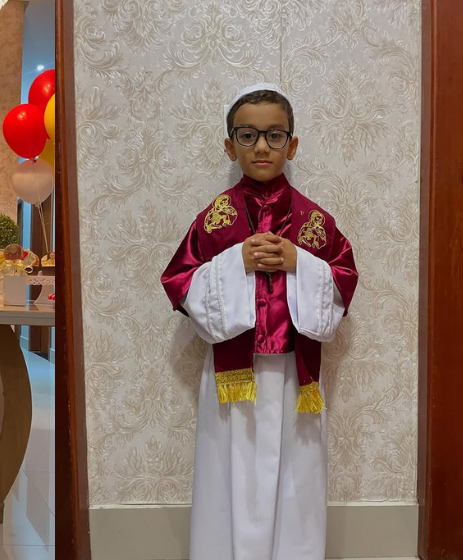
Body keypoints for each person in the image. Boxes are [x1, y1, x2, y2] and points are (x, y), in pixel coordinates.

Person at [161, 84, 358, 560]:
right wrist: (235, 262)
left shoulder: (314, 223)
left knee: (297, 475)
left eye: (274, 135)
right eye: (248, 135)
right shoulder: (215, 220)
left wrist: (299, 261)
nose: (263, 147)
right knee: (231, 474)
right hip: (235, 377)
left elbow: (344, 279)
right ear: (229, 145)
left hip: (295, 374)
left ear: (293, 144)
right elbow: (179, 282)